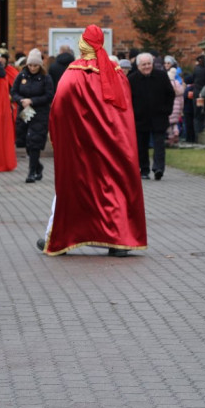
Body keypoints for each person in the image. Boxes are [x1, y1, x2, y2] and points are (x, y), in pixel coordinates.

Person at [37, 25, 147, 257]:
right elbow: (124, 111)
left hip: (80, 148)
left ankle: (64, 236)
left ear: (82, 44)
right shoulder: (116, 73)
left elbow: (59, 109)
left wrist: (61, 137)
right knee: (113, 189)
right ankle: (118, 241)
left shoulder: (73, 73)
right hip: (112, 146)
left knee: (71, 190)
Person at [128, 52, 175, 180]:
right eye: (144, 64)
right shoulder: (131, 79)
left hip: (159, 116)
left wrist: (167, 110)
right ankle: (144, 170)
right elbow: (127, 99)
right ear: (138, 66)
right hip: (140, 118)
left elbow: (170, 94)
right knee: (141, 145)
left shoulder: (161, 76)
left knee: (159, 144)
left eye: (149, 64)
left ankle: (159, 168)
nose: (147, 66)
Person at [11, 48, 54, 184]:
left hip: (40, 113)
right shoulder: (22, 76)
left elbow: (49, 95)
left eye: (35, 65)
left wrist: (33, 101)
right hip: (25, 112)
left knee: (34, 142)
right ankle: (38, 166)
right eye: (30, 65)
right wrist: (21, 100)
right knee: (25, 141)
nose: (33, 68)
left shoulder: (46, 78)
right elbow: (14, 91)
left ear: (40, 65)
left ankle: (31, 172)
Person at [164, 55, 185, 146]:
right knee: (175, 122)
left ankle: (171, 137)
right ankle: (176, 134)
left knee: (169, 123)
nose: (166, 65)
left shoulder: (175, 76)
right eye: (165, 63)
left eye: (168, 63)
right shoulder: (176, 82)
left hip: (171, 105)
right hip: (177, 105)